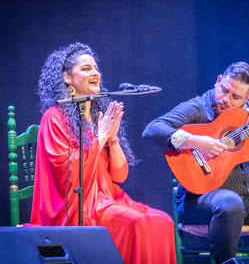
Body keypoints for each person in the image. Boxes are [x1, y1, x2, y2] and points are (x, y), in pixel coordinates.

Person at [142, 61, 249, 263]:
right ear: (218, 81)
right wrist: (196, 141)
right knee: (229, 203)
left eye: (236, 97)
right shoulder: (197, 108)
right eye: (224, 89)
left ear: (247, 98)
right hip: (198, 200)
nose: (225, 99)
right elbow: (152, 130)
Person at [30, 42, 176, 264]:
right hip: (74, 205)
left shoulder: (99, 116)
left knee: (163, 221)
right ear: (67, 78)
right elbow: (68, 173)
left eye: (96, 68)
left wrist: (112, 136)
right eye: (86, 68)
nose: (95, 73)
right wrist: (101, 136)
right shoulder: (54, 117)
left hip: (107, 199)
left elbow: (119, 176)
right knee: (139, 223)